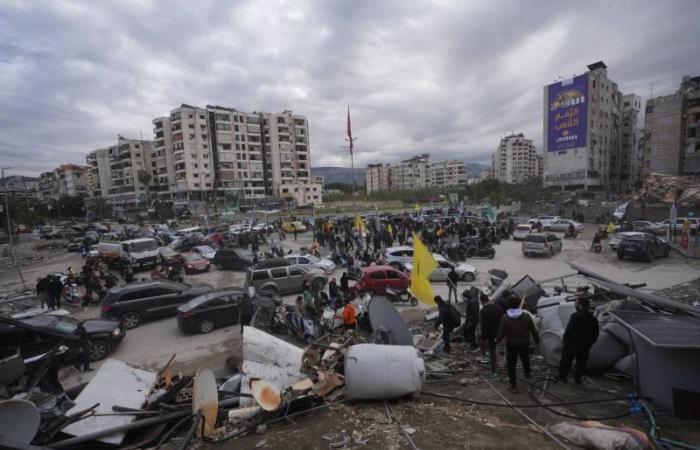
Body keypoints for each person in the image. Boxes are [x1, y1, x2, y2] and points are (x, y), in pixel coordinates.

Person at [496, 293, 539, 393]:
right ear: (519, 304)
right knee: (525, 358)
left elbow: (501, 332)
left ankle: (513, 384)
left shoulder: (505, 317)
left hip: (512, 344)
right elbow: (533, 330)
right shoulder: (526, 316)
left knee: (511, 364)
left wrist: (496, 340)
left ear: (508, 305)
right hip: (524, 342)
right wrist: (537, 340)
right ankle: (527, 373)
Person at [557, 298, 599, 384]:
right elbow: (596, 333)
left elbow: (569, 330)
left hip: (572, 344)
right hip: (585, 345)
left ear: (580, 306)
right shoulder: (593, 318)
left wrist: (565, 340)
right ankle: (578, 379)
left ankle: (563, 377)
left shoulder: (575, 316)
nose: (575, 306)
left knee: (566, 361)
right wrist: (590, 343)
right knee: (581, 363)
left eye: (576, 304)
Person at [479, 293, 504, 375]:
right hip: (500, 333)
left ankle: (494, 371)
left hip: (491, 335)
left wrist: (483, 337)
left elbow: (484, 326)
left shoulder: (483, 311)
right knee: (500, 350)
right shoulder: (498, 307)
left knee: (492, 353)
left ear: (482, 301)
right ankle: (501, 366)